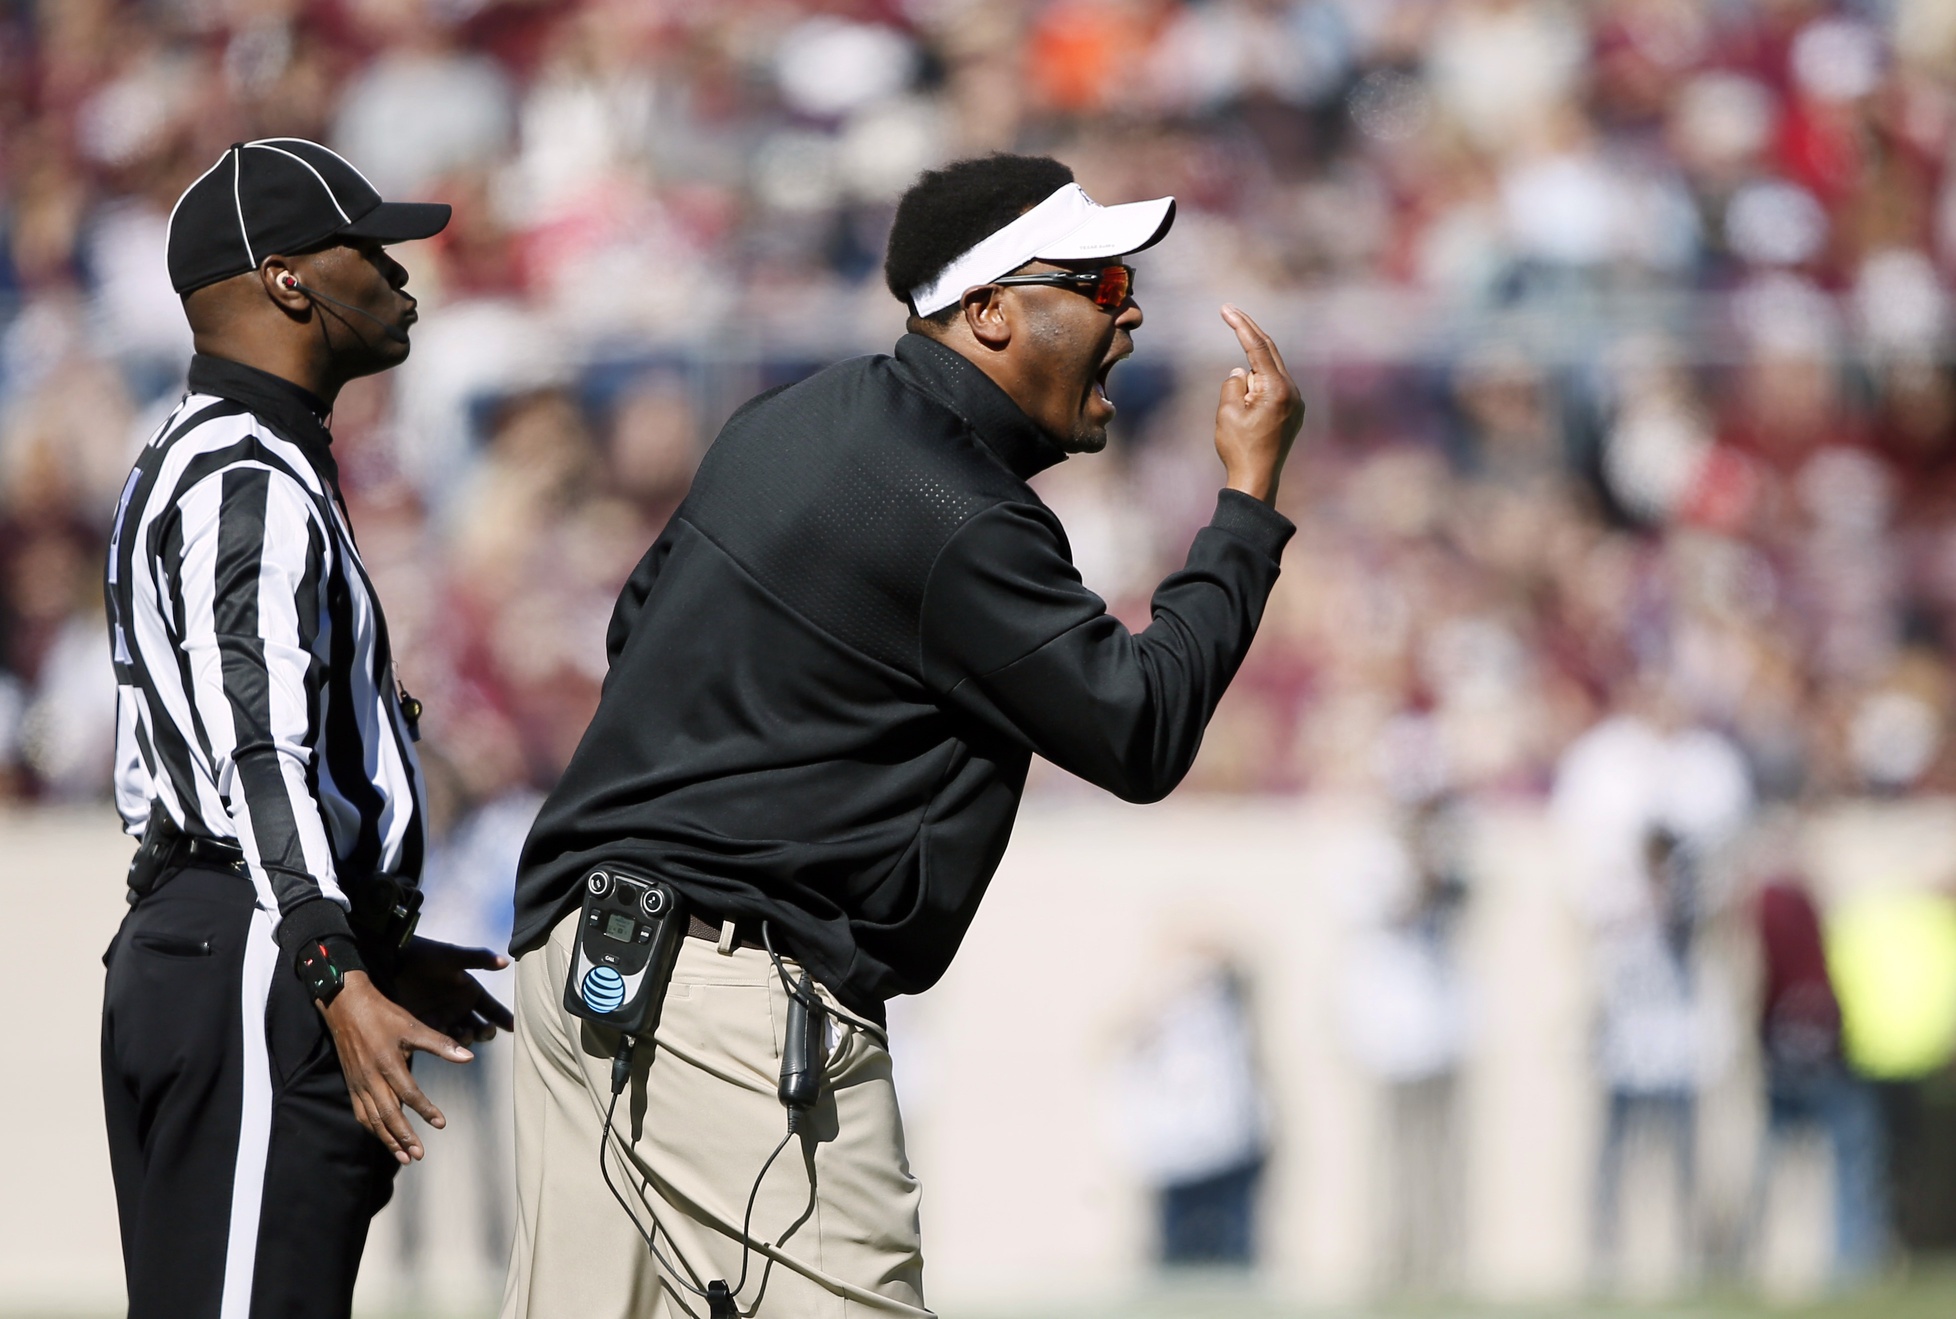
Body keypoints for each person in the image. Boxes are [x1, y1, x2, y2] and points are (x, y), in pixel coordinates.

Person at [502, 153, 1304, 1317]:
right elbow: (1139, 726)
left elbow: (639, 629)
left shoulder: (783, 420)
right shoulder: (956, 506)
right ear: (987, 311)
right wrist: (1247, 509)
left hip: (585, 960)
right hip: (737, 993)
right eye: (1101, 286)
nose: (1127, 320)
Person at [100, 139, 512, 1319]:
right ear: (287, 279)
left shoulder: (210, 453)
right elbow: (257, 747)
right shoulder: (245, 474)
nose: (399, 275)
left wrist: (380, 940)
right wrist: (332, 960)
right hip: (251, 946)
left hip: (232, 938)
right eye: (368, 249)